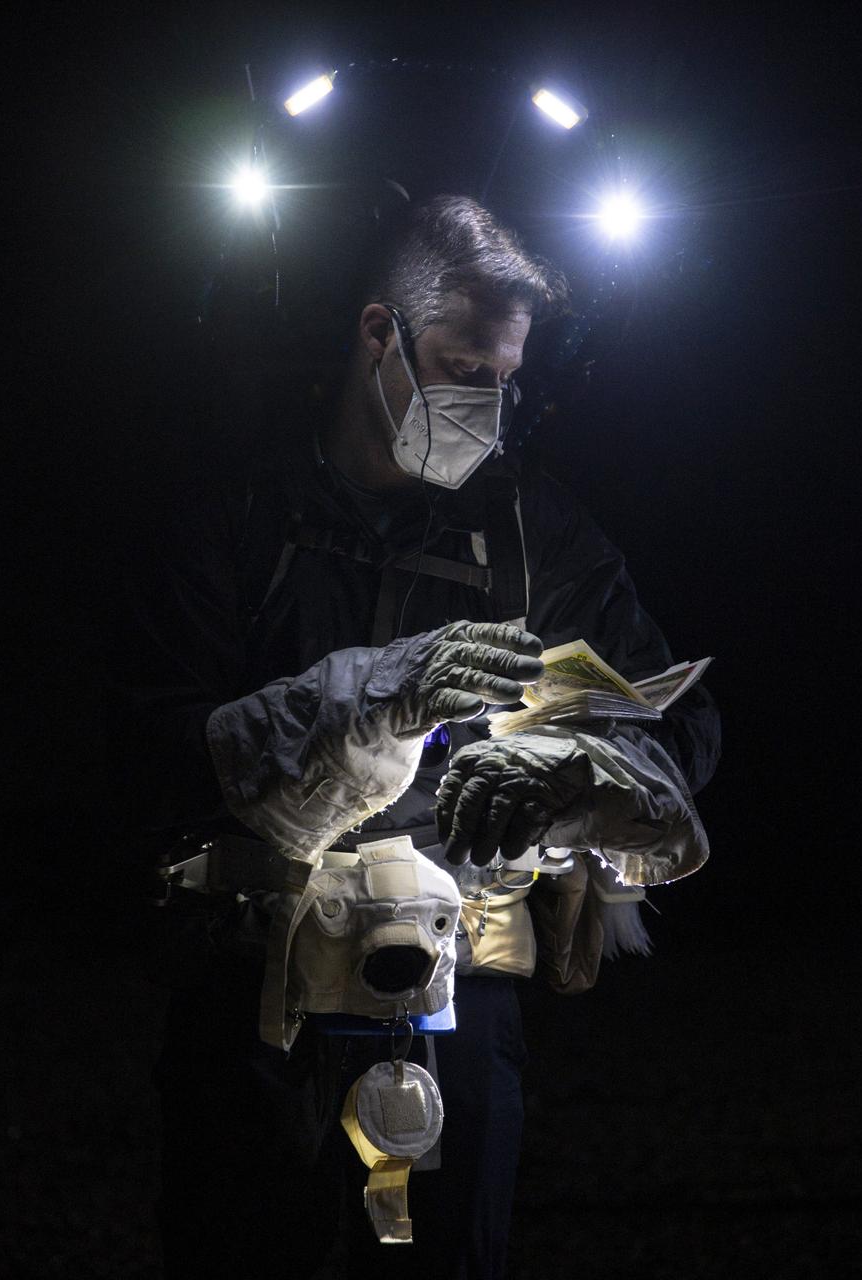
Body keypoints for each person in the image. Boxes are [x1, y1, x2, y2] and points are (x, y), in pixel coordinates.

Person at [113, 195, 720, 1279]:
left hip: (460, 997)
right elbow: (151, 748)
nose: (488, 403)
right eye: (461, 366)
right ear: (378, 331)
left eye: (506, 378)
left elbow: (677, 724)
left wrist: (576, 767)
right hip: (254, 995)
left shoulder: (537, 531)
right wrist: (369, 698)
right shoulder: (240, 514)